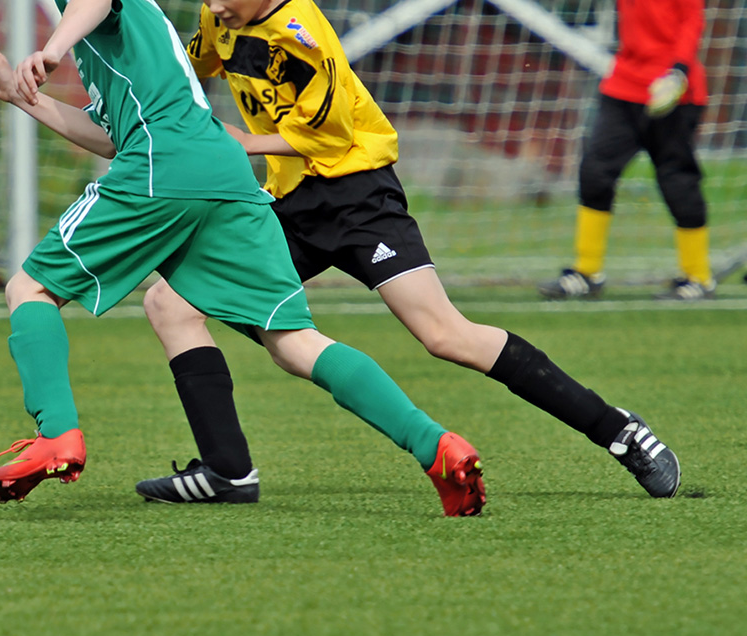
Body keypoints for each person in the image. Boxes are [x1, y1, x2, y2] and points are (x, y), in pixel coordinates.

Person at [136, 0, 681, 503]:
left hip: (357, 196)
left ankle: (618, 430)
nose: (219, 6)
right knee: (171, 302)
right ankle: (226, 472)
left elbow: (332, 134)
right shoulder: (220, 15)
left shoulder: (301, 34)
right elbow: (189, 72)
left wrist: (243, 142)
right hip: (289, 204)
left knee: (447, 336)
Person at [0, 0, 485, 516]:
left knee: (30, 288)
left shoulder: (83, 13)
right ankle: (434, 446)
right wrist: (23, 97)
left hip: (163, 163)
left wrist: (51, 50)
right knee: (282, 339)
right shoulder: (119, 31)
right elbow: (111, 138)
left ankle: (56, 434)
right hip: (221, 166)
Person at [538, 0, 712, 301]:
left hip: (673, 88)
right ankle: (587, 273)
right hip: (624, 83)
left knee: (677, 181)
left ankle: (698, 278)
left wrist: (679, 70)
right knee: (594, 171)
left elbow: (691, 20)